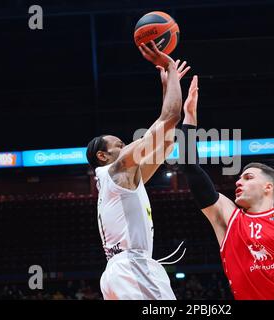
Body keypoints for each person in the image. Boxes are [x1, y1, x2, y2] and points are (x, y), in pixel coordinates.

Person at [178, 76, 274, 300]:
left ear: (268, 187)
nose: (238, 182)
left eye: (248, 177)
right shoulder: (228, 218)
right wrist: (190, 118)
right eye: (239, 178)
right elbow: (189, 167)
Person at [86, 40, 191, 300]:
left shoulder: (124, 181)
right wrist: (169, 66)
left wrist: (167, 87)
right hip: (132, 265)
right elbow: (170, 119)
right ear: (103, 155)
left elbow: (165, 144)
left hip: (120, 270)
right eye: (120, 145)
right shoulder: (117, 169)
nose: (127, 147)